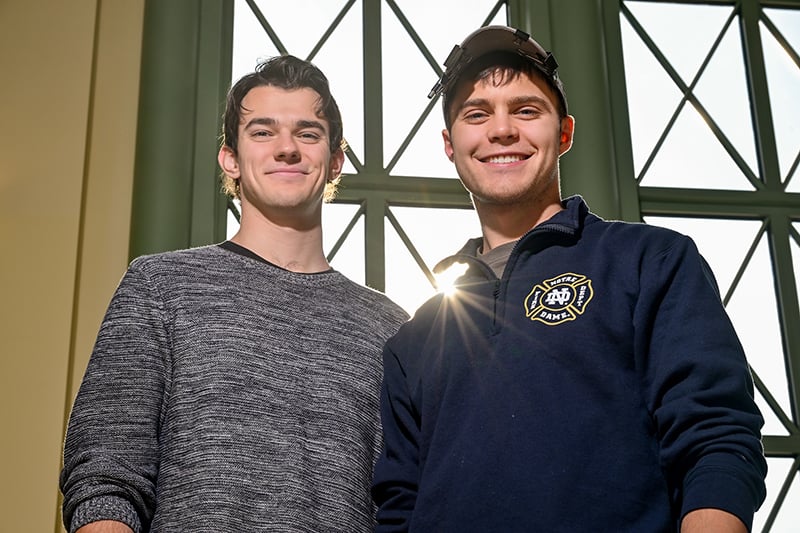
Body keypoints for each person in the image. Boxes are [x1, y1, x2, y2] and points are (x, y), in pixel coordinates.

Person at [372, 26, 767, 532]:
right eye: (477, 114)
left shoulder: (650, 260)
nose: (501, 130)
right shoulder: (414, 339)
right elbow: (399, 507)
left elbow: (716, 437)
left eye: (526, 110)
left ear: (564, 133)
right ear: (451, 145)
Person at [60, 54, 409, 533]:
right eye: (262, 132)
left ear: (335, 161)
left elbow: (402, 506)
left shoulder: (391, 327)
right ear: (230, 157)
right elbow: (106, 474)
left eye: (308, 133)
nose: (286, 148)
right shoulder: (161, 286)